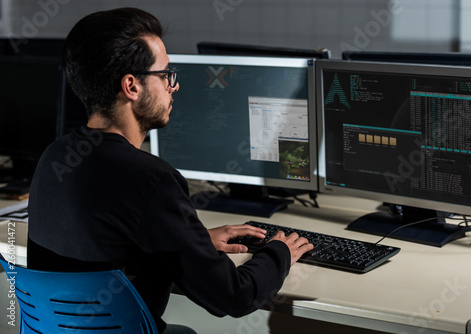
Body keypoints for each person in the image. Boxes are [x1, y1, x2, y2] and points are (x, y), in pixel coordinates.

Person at [27, 7, 313, 334]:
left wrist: (193, 243)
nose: (173, 87)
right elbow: (234, 296)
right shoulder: (151, 178)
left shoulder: (54, 157)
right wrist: (279, 253)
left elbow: (99, 251)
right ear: (132, 86)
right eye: (165, 75)